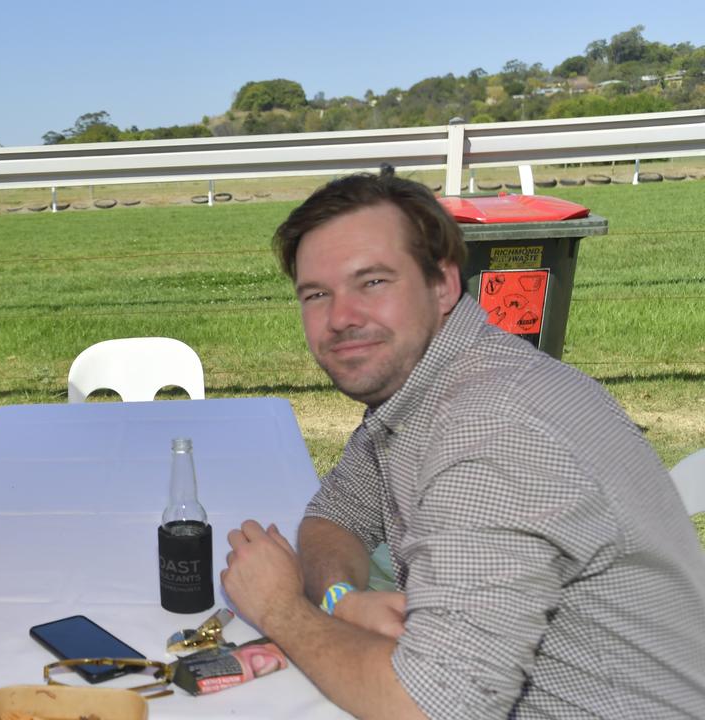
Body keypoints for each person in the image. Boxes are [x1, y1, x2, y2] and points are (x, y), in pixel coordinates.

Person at [221, 171, 705, 719]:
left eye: (373, 282)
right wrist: (342, 602)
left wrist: (283, 610)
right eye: (316, 294)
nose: (340, 318)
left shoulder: (491, 431)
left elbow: (434, 706)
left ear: (443, 285)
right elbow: (337, 515)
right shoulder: (427, 383)